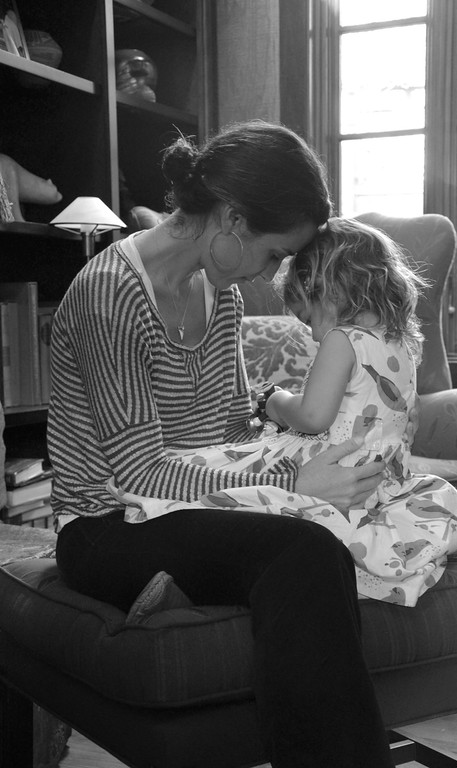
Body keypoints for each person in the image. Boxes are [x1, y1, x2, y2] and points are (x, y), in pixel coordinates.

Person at [49, 120, 394, 768]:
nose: (272, 272)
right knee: (303, 553)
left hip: (197, 508)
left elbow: (235, 429)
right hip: (108, 523)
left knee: (373, 514)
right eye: (274, 254)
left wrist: (306, 455)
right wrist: (291, 485)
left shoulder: (221, 296)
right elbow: (139, 473)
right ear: (232, 219)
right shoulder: (109, 294)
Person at [110, 217, 457, 607]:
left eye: (309, 319)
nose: (313, 334)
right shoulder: (400, 345)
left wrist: (276, 402)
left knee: (228, 481)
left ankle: (161, 532)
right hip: (379, 481)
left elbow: (313, 417)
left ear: (329, 290)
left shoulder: (342, 339)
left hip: (331, 466)